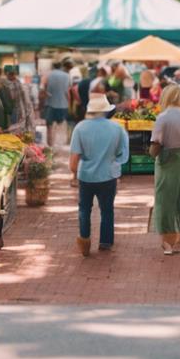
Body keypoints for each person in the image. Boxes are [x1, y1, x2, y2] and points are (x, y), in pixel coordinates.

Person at [69, 93, 129, 256]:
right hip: (108, 175)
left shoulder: (80, 128)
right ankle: (105, 242)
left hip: (85, 176)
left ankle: (85, 240)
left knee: (84, 209)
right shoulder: (117, 128)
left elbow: (74, 159)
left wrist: (74, 175)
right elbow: (122, 155)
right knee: (107, 210)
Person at [149, 85, 180, 255]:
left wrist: (151, 154)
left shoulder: (163, 118)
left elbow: (156, 144)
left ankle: (166, 243)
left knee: (164, 201)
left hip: (167, 161)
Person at [43, 61, 72, 145]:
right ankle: (60, 146)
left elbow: (43, 87)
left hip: (50, 104)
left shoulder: (48, 75)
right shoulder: (67, 76)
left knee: (50, 127)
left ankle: (50, 145)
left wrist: (47, 93)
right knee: (61, 126)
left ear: (52, 66)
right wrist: (69, 104)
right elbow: (67, 92)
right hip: (63, 104)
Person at [4, 65, 36, 136]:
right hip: (11, 111)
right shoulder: (5, 84)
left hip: (18, 110)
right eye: (11, 74)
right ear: (6, 74)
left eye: (14, 73)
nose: (13, 76)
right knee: (13, 130)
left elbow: (26, 100)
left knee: (18, 130)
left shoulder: (19, 84)